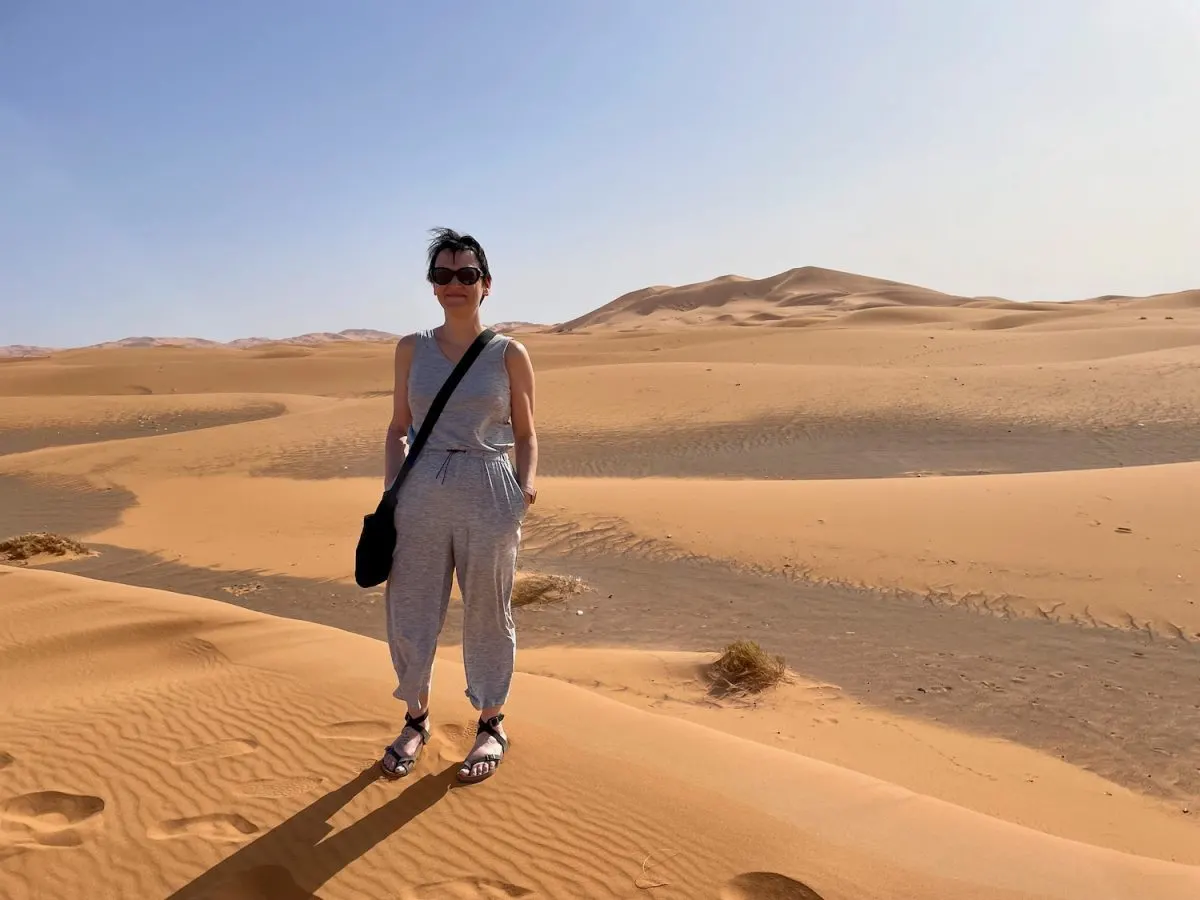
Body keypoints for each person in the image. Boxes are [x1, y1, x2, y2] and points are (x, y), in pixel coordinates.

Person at [378, 227, 537, 785]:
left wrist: (524, 489)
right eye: (443, 275)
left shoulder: (509, 353)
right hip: (419, 492)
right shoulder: (410, 349)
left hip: (489, 489)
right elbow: (399, 427)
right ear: (431, 284)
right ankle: (415, 720)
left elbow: (526, 431)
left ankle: (491, 722)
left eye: (466, 275)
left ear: (486, 285)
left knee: (489, 611)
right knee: (412, 609)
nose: (454, 285)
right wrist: (391, 492)